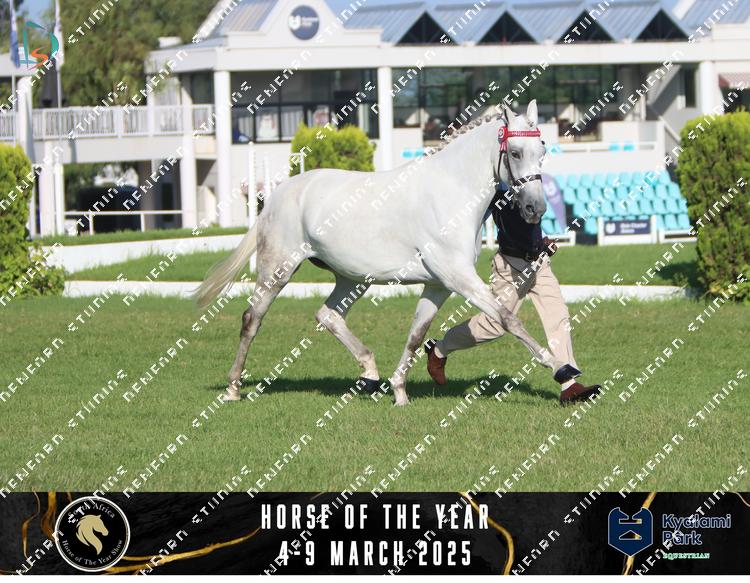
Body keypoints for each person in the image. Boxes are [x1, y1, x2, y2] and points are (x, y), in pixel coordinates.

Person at [425, 182, 602, 405]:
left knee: (558, 316)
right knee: (494, 325)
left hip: (540, 264)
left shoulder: (529, 182)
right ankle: (439, 349)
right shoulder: (495, 188)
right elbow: (494, 222)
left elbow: (531, 220)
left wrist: (542, 240)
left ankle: (569, 386)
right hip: (510, 268)